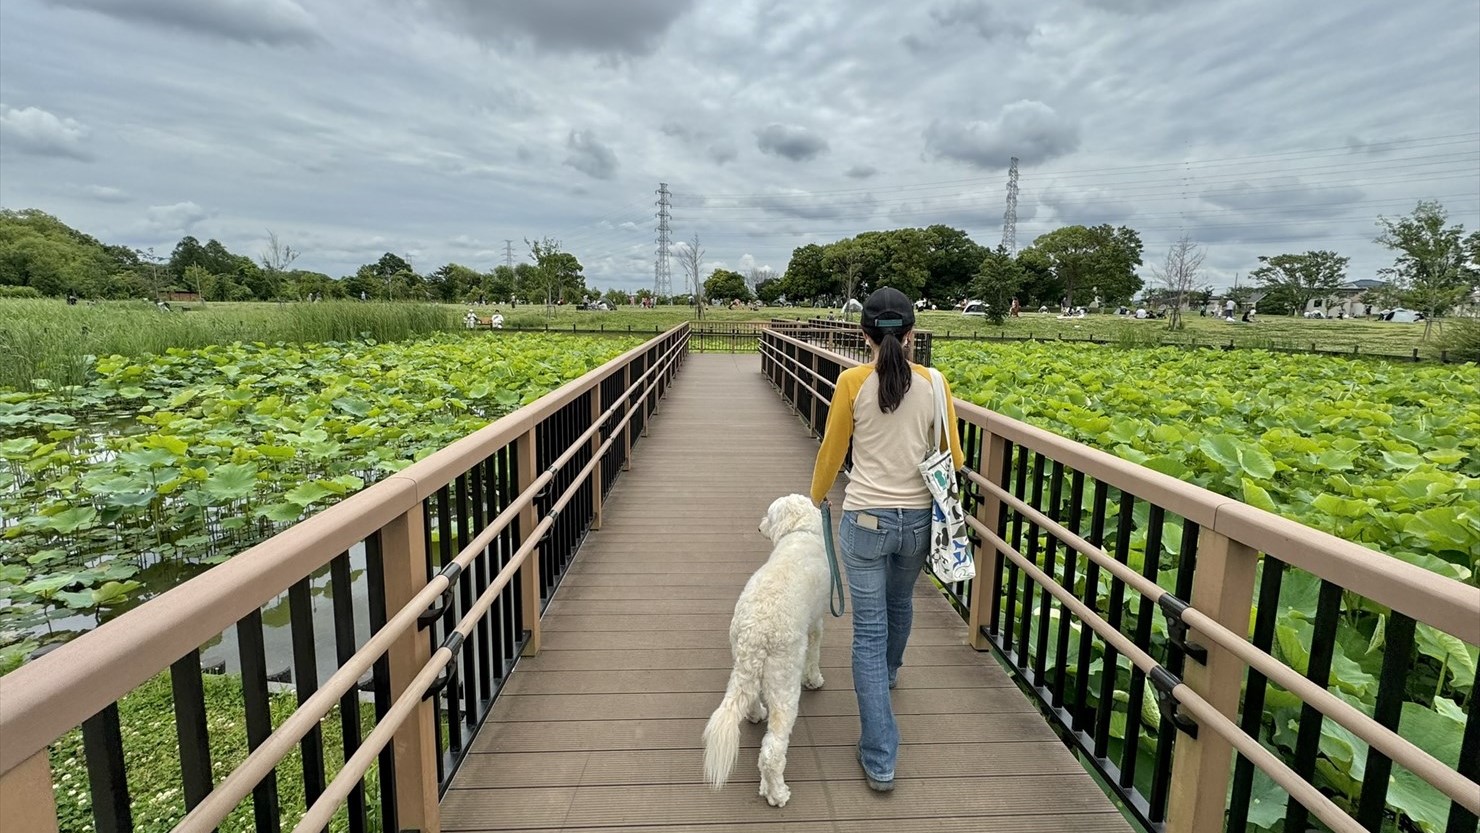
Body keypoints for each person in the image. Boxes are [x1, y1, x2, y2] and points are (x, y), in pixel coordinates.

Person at [810, 287, 965, 794]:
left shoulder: (852, 381)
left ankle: (880, 755)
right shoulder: (935, 384)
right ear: (913, 333)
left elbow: (833, 451)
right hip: (919, 521)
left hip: (864, 521)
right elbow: (953, 459)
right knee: (901, 605)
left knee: (868, 633)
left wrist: (816, 499)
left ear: (864, 335)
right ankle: (891, 675)